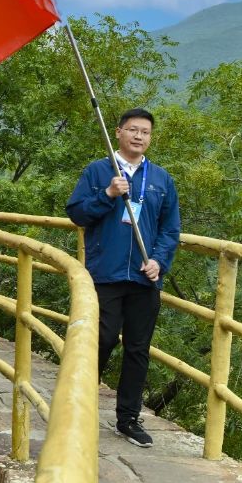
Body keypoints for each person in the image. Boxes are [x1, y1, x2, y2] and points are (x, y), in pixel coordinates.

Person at [67, 108, 181, 449]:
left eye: (145, 132)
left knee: (137, 349)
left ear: (150, 138)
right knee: (100, 340)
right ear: (118, 132)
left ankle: (128, 419)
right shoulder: (99, 171)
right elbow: (76, 213)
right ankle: (81, 408)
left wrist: (159, 261)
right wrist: (108, 195)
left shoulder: (161, 179)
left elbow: (170, 228)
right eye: (133, 130)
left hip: (145, 278)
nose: (139, 136)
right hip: (106, 273)